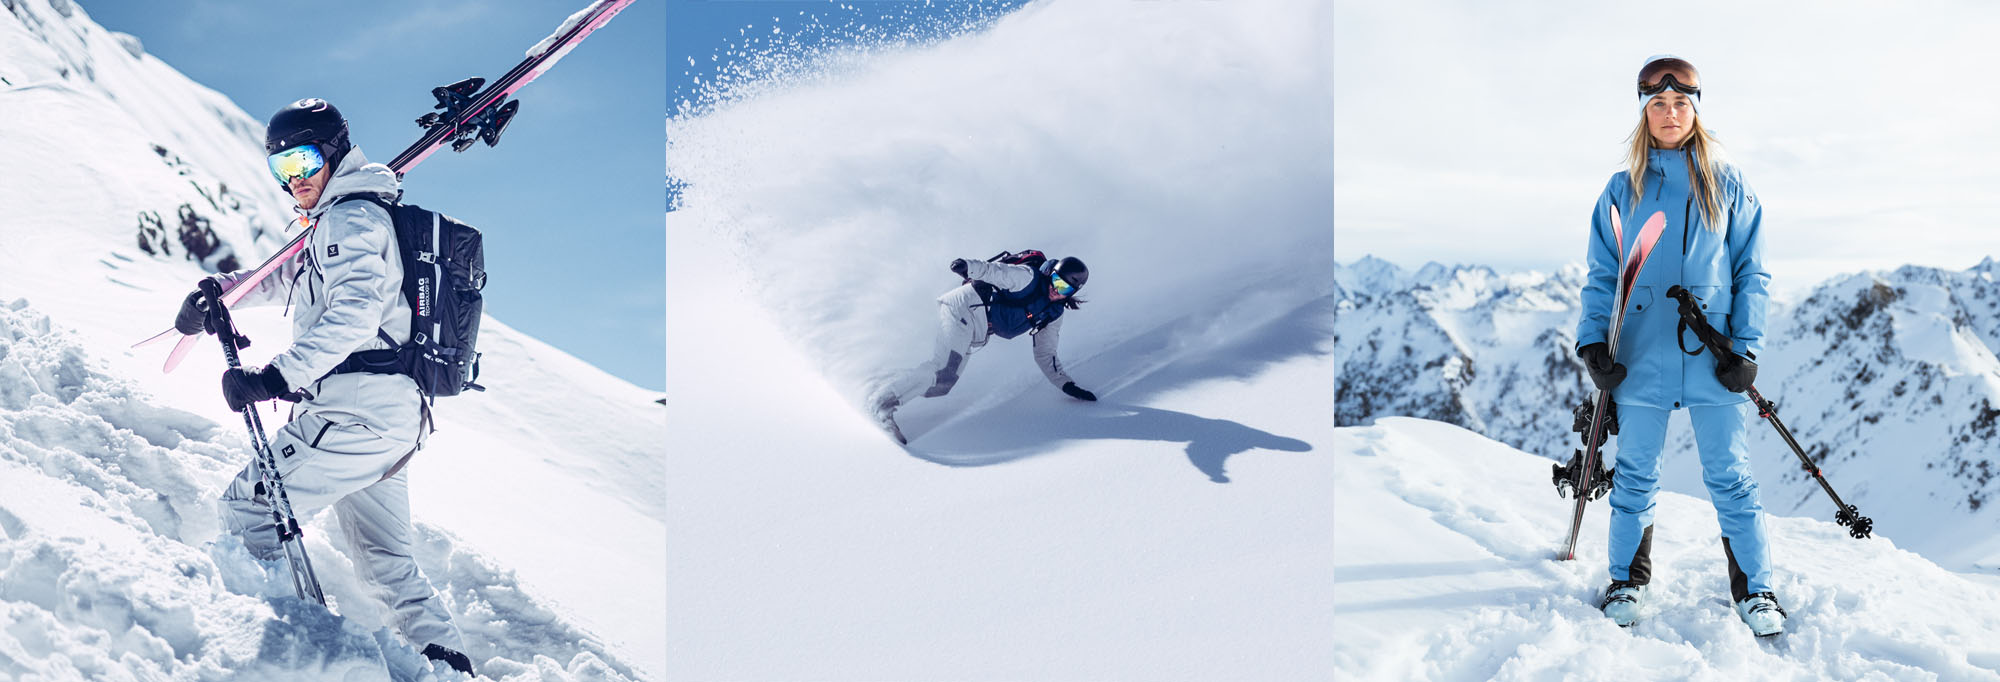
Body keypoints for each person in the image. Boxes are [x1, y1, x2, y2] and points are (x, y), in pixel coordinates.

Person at [172, 98, 474, 674]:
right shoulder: (348, 218)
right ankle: (449, 667)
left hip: (355, 412)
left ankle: (298, 659)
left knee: (248, 515)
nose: (296, 180)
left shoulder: (349, 219)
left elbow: (354, 316)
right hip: (389, 418)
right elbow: (286, 275)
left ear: (334, 154)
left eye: (305, 161)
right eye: (280, 169)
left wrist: (274, 377)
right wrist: (222, 291)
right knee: (388, 566)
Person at [1574, 56, 1785, 636]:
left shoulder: (1729, 183)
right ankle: (1627, 581)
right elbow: (1601, 272)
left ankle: (1756, 591)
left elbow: (1752, 273)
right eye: (1658, 105)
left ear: (1696, 110)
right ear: (1644, 112)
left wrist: (1746, 349)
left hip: (1712, 350)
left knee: (1731, 475)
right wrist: (1594, 341)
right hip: (1640, 350)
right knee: (1637, 473)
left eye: (1681, 104)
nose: (1670, 114)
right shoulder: (1622, 189)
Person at [871, 254, 1099, 443]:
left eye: (1066, 290)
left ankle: (885, 385)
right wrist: (968, 267)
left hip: (974, 330)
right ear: (1051, 274)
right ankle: (882, 404)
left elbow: (1045, 354)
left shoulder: (1052, 313)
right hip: (963, 309)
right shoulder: (1028, 278)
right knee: (944, 372)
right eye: (1057, 282)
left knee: (942, 386)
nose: (1057, 291)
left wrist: (1067, 385)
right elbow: (995, 271)